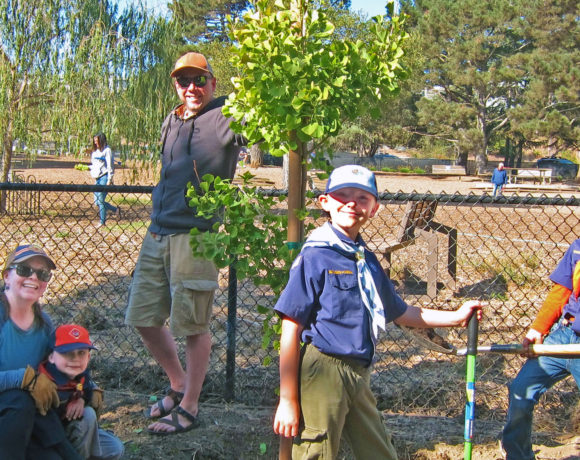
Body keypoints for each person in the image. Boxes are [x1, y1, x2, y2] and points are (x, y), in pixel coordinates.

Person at [273, 165, 483, 459]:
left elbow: (401, 312)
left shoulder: (367, 260)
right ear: (325, 203)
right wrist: (287, 399)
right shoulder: (316, 255)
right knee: (315, 452)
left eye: (362, 198)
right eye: (342, 195)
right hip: (323, 371)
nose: (351, 203)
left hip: (358, 373)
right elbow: (291, 327)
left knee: (380, 452)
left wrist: (456, 316)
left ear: (374, 208)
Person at [125, 51, 247, 435]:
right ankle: (177, 383)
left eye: (199, 80)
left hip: (196, 236)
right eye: (184, 81)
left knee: (193, 325)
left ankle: (190, 405)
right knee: (142, 317)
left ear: (213, 83)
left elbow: (264, 124)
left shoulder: (229, 114)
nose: (191, 87)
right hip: (158, 230)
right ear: (175, 85)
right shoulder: (171, 119)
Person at [0, 244, 82, 460]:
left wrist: (83, 391)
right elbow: (28, 385)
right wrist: (25, 379)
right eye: (25, 270)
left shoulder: (44, 325)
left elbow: (62, 367)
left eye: (42, 273)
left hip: (26, 420)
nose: (34, 278)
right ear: (7, 276)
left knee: (111, 447)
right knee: (22, 398)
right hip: (13, 408)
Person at [501, 239, 580, 460]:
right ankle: (518, 456)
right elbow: (561, 290)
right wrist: (538, 328)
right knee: (521, 390)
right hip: (564, 335)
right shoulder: (577, 247)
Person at [38, 324, 124, 460]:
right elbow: (47, 430)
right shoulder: (43, 384)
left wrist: (81, 399)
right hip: (47, 442)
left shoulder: (80, 373)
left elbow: (85, 387)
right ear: (51, 357)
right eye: (67, 353)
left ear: (88, 357)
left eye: (81, 353)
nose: (75, 359)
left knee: (114, 448)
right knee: (88, 415)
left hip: (71, 431)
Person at [90, 133, 118, 226]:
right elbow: (94, 165)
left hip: (104, 177)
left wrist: (110, 179)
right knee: (97, 202)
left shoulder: (107, 150)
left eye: (97, 142)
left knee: (101, 200)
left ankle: (102, 222)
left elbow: (110, 166)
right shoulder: (95, 152)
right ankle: (115, 210)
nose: (96, 143)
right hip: (97, 178)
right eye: (95, 142)